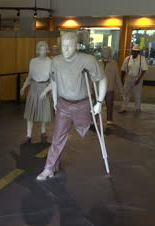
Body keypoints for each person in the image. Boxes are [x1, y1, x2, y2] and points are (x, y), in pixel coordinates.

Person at [36, 32, 108, 180]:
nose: (66, 49)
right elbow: (54, 81)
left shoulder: (87, 60)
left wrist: (99, 102)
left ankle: (105, 160)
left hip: (83, 105)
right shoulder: (55, 61)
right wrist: (55, 101)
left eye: (69, 46)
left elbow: (102, 79)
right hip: (64, 104)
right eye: (63, 45)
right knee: (57, 138)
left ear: (76, 46)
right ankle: (49, 168)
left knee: (94, 132)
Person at [20, 41, 54, 143]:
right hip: (34, 87)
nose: (42, 51)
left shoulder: (50, 62)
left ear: (47, 50)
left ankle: (43, 131)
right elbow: (30, 76)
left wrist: (46, 91)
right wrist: (24, 87)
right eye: (40, 49)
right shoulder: (33, 61)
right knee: (31, 112)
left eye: (44, 49)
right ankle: (28, 134)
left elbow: (53, 80)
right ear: (38, 50)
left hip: (45, 87)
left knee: (43, 112)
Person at [120, 44, 148, 113]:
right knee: (125, 93)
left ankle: (138, 108)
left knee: (137, 94)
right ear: (131, 51)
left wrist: (139, 79)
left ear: (138, 52)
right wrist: (122, 79)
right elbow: (123, 70)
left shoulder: (142, 59)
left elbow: (144, 69)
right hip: (128, 77)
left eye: (136, 51)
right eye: (133, 51)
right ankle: (124, 107)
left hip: (137, 77)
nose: (134, 52)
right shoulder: (127, 58)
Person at [98, 46, 122, 125]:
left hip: (109, 88)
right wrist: (92, 88)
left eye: (107, 51)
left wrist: (121, 89)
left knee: (109, 104)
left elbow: (117, 77)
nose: (105, 53)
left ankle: (109, 119)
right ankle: (94, 119)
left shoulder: (113, 63)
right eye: (104, 51)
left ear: (109, 53)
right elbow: (94, 76)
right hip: (99, 89)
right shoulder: (98, 63)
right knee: (96, 103)